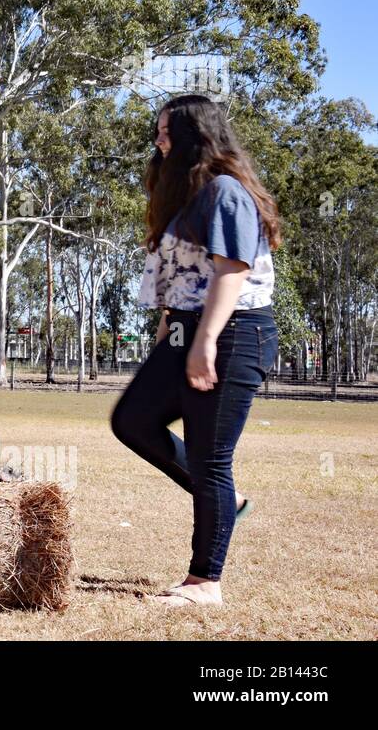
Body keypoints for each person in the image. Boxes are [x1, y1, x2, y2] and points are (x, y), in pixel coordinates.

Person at [111, 94, 281, 608]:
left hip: (233, 331)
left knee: (210, 458)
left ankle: (205, 582)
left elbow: (233, 270)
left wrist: (205, 341)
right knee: (132, 420)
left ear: (194, 138)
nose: (158, 142)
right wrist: (171, 332)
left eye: (166, 133)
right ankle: (228, 502)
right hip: (187, 328)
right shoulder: (185, 195)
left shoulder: (225, 192)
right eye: (158, 132)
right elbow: (181, 276)